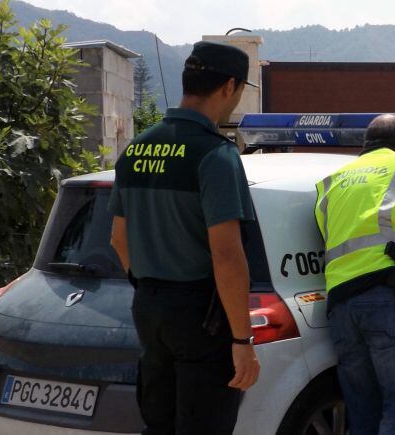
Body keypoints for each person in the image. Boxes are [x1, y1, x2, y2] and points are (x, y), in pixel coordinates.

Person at [109, 41, 261, 435]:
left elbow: (118, 240)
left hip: (149, 308)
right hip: (201, 317)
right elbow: (227, 256)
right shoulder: (216, 155)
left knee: (158, 425)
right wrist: (242, 340)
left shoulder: (135, 150)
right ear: (229, 86)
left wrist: (152, 288)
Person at [314, 114, 395, 435]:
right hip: (390, 298)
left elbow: (328, 235)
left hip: (340, 305)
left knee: (363, 413)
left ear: (365, 145)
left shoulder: (331, 180)